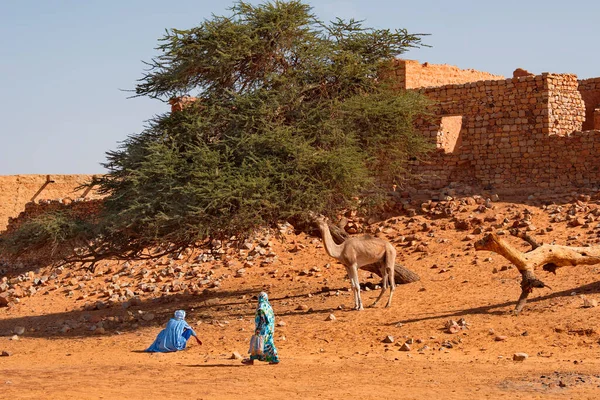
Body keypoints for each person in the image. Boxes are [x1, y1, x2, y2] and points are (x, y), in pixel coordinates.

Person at [242, 292, 280, 365]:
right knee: (269, 343)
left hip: (263, 329)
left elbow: (262, 319)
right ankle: (274, 358)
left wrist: (259, 328)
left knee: (257, 343)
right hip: (269, 329)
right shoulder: (268, 306)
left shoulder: (261, 307)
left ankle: (251, 360)